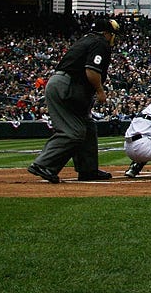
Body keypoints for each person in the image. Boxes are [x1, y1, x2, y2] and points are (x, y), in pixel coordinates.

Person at [27, 18, 121, 184]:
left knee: (88, 127)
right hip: (67, 86)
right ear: (106, 33)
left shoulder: (86, 39)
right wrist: (100, 91)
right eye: (112, 34)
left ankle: (88, 169)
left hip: (65, 84)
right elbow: (91, 70)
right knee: (74, 132)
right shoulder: (100, 43)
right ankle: (43, 164)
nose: (113, 38)